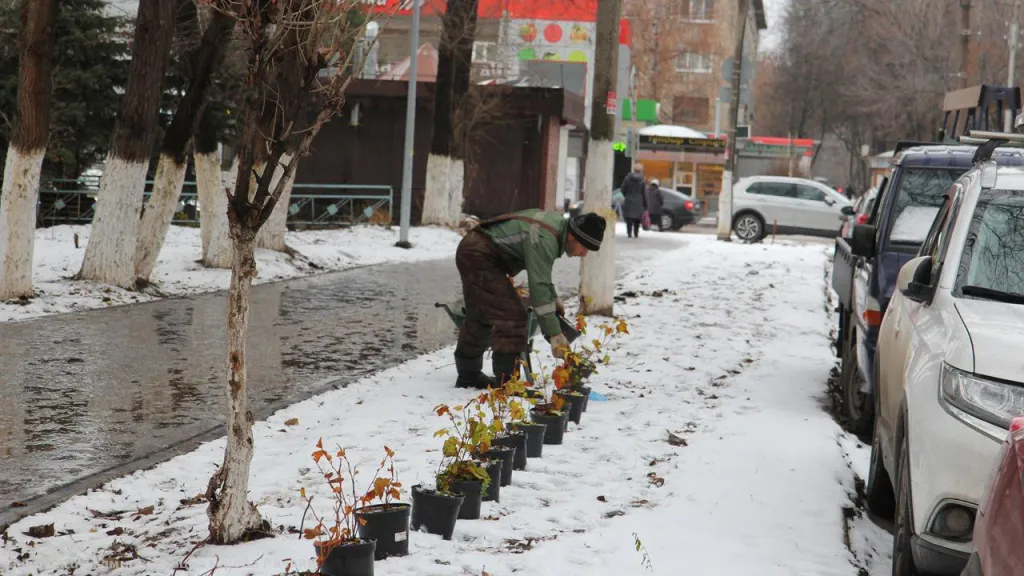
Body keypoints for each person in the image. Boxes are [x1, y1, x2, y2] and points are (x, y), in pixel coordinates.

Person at [453, 209, 607, 389]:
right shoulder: (545, 238)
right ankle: (506, 385)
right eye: (584, 247)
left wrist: (554, 298)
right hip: (480, 255)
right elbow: (538, 287)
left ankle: (468, 375)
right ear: (573, 237)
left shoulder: (556, 229)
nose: (584, 254)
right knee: (512, 316)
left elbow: (540, 274)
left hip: (476, 250)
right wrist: (554, 334)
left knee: (481, 314)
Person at [620, 163, 647, 238]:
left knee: (629, 217)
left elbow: (622, 189)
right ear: (641, 170)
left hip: (629, 199)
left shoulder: (627, 178)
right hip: (639, 201)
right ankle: (636, 233)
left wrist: (627, 195)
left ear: (634, 169)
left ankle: (629, 233)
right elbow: (644, 192)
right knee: (637, 218)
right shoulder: (642, 179)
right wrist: (645, 204)